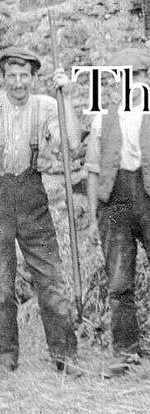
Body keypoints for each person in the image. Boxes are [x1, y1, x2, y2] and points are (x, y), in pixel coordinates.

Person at [85, 47, 150, 378]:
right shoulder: (102, 118)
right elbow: (92, 169)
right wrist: (92, 217)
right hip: (114, 204)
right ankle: (125, 352)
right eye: (129, 77)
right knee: (119, 282)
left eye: (144, 76)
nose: (137, 84)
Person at [0, 47, 82, 377]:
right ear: (3, 78)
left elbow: (72, 144)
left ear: (34, 78)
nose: (18, 83)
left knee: (51, 278)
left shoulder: (47, 105)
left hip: (32, 197)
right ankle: (6, 354)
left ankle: (65, 355)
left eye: (24, 76)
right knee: (1, 282)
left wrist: (64, 97)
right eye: (12, 76)